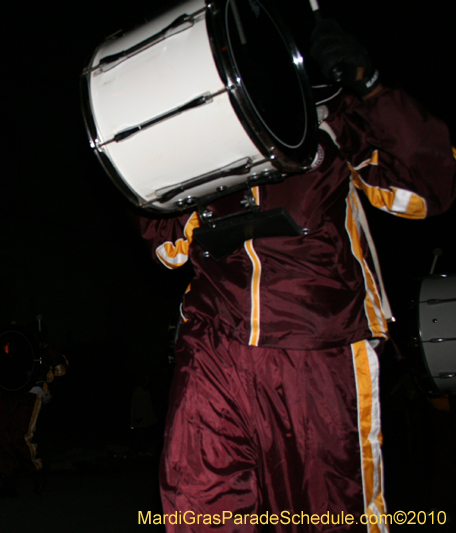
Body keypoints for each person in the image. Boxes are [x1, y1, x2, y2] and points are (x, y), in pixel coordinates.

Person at [139, 18, 456, 532]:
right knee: (198, 510)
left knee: (328, 517)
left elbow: (430, 185)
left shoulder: (335, 118)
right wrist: (157, 165)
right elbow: (167, 248)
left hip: (319, 346)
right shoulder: (200, 134)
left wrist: (371, 88)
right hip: (213, 341)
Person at [0, 322, 68, 498]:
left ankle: (37, 470)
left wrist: (47, 346)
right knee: (5, 437)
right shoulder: (18, 346)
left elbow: (61, 370)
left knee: (20, 436)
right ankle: (8, 481)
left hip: (33, 393)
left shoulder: (47, 350)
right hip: (14, 392)